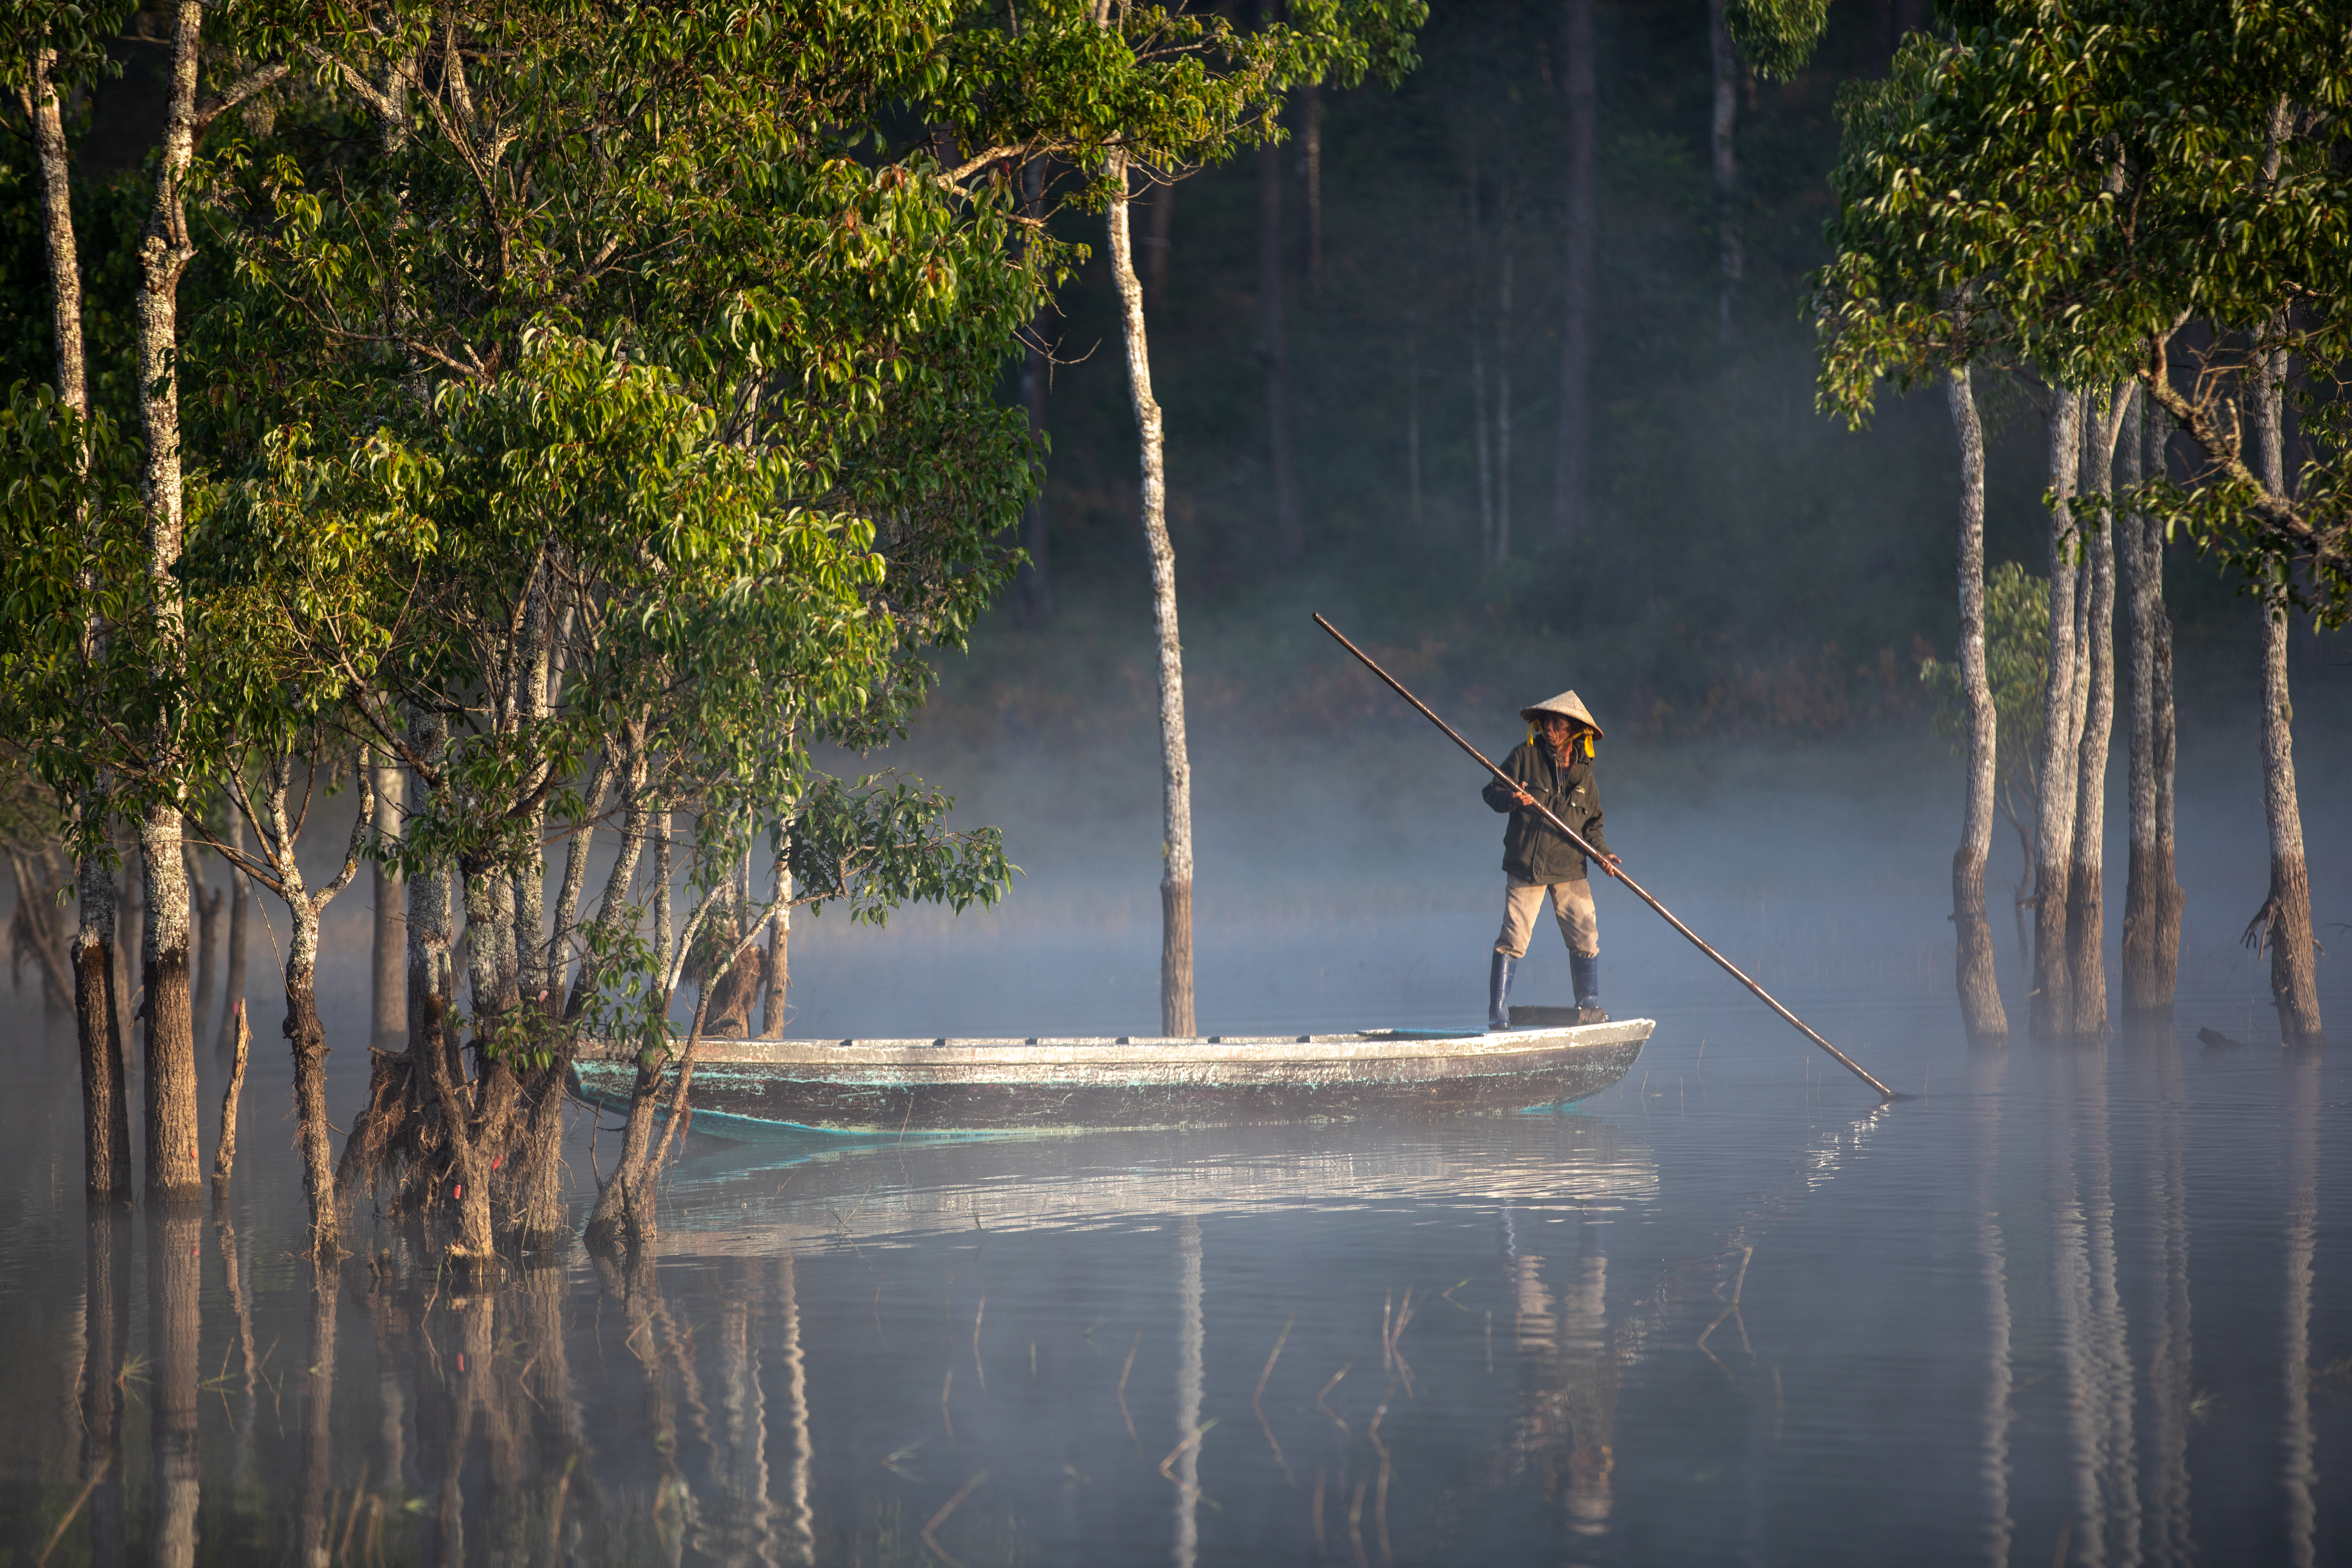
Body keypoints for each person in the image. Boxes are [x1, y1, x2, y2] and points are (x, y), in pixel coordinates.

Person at [1481, 691, 1621, 1029]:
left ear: (1574, 730)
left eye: (1557, 724)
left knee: (1586, 936)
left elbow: (1592, 827)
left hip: (1570, 867)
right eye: (1546, 723)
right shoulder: (1524, 758)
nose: (1549, 729)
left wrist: (1603, 855)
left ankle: (1588, 1007)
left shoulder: (1586, 779)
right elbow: (1491, 793)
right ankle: (1498, 1016)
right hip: (1527, 865)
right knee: (1514, 939)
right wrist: (1513, 799)